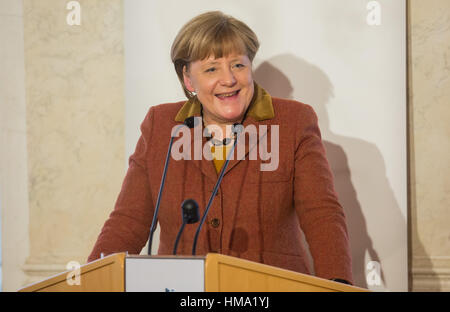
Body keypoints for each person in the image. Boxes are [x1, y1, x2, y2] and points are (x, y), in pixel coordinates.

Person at [88, 11, 353, 284]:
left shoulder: (293, 122)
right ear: (189, 79)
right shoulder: (160, 125)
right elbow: (128, 220)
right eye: (212, 68)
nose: (229, 79)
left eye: (238, 65)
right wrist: (91, 284)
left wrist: (338, 285)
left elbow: (322, 214)